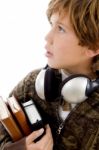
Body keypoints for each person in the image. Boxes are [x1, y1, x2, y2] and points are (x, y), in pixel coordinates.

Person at [0, 0, 99, 149]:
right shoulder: (32, 84)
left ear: (93, 47)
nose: (47, 37)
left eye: (61, 29)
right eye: (51, 25)